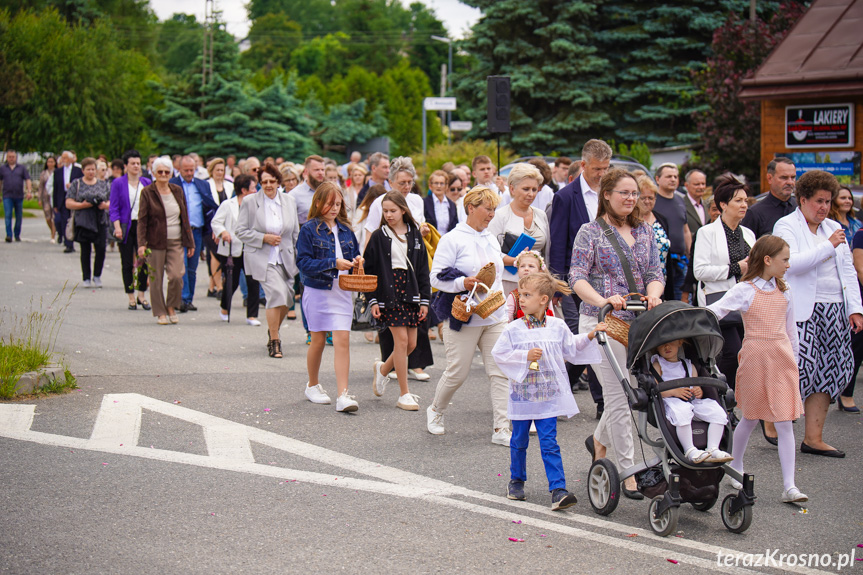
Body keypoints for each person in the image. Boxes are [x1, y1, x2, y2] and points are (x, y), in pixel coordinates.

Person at [570, 167, 664, 498]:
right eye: (623, 192)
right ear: (606, 195)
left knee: (630, 389)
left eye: (634, 193)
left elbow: (655, 270)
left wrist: (654, 291)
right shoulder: (590, 232)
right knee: (621, 396)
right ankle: (629, 471)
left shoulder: (645, 231)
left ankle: (598, 441)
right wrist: (602, 300)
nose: (630, 198)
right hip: (602, 322)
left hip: (638, 323)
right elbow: (577, 277)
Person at [708, 235, 808, 503]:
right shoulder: (746, 290)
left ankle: (790, 486)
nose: (788, 264)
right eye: (784, 259)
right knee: (750, 417)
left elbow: (792, 332)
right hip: (755, 358)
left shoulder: (785, 291)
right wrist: (688, 318)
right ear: (768, 260)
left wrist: (794, 363)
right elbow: (715, 310)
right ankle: (736, 466)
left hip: (781, 359)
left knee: (785, 421)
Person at [492, 270, 604, 509]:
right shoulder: (513, 329)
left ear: (544, 299)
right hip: (523, 396)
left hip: (548, 396)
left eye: (527, 294)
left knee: (549, 442)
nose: (521, 299)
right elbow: (498, 354)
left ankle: (558, 489)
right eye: (520, 294)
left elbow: (571, 347)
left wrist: (591, 335)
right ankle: (516, 480)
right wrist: (524, 356)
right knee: (519, 440)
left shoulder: (557, 326)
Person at [773, 169, 863, 459]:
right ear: (803, 200)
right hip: (801, 310)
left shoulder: (832, 227)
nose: (824, 207)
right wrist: (828, 246)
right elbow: (790, 264)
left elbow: (847, 270)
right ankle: (772, 420)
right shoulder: (786, 226)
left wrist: (856, 308)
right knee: (800, 371)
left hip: (834, 307)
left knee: (831, 370)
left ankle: (814, 438)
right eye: (819, 201)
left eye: (828, 201)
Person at [427, 186, 511, 446]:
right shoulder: (452, 239)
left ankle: (501, 427)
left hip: (495, 315)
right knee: (457, 372)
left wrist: (517, 260)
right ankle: (436, 411)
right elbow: (435, 278)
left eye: (494, 209)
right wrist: (463, 282)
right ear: (471, 208)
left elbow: (496, 272)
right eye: (488, 209)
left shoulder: (490, 238)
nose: (492, 214)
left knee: (500, 372)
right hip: (464, 315)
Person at [548, 139, 611, 417]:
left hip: (606, 279)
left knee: (593, 338)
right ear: (584, 165)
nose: (601, 173)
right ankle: (601, 401)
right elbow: (559, 241)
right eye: (597, 168)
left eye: (606, 168)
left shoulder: (611, 192)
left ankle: (560, 390)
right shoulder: (565, 197)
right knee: (584, 335)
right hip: (574, 280)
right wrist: (557, 283)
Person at [363, 157, 432, 380]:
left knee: (410, 338)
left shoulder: (416, 201)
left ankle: (395, 367)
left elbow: (417, 227)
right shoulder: (380, 203)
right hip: (388, 269)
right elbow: (371, 234)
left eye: (410, 182)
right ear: (391, 181)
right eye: (402, 182)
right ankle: (397, 379)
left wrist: (421, 235)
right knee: (397, 336)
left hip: (411, 264)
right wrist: (367, 269)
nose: (406, 186)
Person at [295, 182, 362, 411]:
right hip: (317, 291)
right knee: (318, 340)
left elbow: (355, 254)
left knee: (343, 340)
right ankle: (312, 385)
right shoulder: (309, 229)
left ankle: (343, 394)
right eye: (330, 203)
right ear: (318, 203)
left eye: (338, 204)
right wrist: (333, 263)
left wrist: (358, 261)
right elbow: (303, 263)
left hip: (341, 291)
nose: (334, 208)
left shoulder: (346, 229)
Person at [692, 175, 755, 391]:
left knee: (746, 355)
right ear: (722, 205)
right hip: (720, 302)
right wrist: (737, 268)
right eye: (738, 200)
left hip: (746, 303)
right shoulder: (707, 232)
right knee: (733, 354)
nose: (744, 205)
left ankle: (730, 399)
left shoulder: (748, 234)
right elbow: (699, 271)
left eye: (746, 200)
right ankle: (721, 397)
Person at [235, 164, 300, 359]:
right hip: (263, 258)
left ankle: (273, 330)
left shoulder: (289, 201)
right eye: (264, 182)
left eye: (272, 181)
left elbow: (294, 232)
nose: (269, 185)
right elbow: (241, 231)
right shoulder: (250, 202)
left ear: (279, 182)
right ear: (260, 183)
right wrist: (263, 238)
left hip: (286, 257)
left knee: (287, 299)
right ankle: (275, 340)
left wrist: (300, 256)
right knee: (276, 295)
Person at [651, 339, 732, 464]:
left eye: (671, 343)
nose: (666, 346)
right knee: (682, 412)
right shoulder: (659, 364)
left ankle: (713, 448)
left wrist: (698, 390)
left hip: (691, 401)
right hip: (671, 400)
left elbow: (695, 385)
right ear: (656, 348)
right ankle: (689, 450)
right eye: (662, 344)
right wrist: (674, 391)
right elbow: (655, 390)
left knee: (717, 411)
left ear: (680, 343)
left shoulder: (689, 365)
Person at [137, 156, 195, 325]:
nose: (163, 174)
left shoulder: (177, 190)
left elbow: (185, 217)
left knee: (177, 276)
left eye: (166, 172)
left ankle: (171, 306)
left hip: (176, 240)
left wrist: (189, 241)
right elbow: (142, 220)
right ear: (154, 173)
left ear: (171, 173)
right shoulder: (147, 192)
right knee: (156, 278)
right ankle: (160, 312)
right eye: (160, 172)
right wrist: (141, 243)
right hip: (155, 242)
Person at [488, 163, 549, 296]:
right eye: (526, 189)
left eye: (534, 189)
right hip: (509, 282)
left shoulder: (541, 215)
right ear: (512, 189)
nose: (531, 194)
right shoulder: (499, 216)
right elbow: (491, 253)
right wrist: (518, 260)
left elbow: (547, 252)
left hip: (538, 283)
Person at [210, 174, 261, 326]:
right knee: (232, 282)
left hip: (251, 249)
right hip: (232, 250)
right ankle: (225, 308)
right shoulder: (228, 204)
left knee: (253, 281)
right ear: (244, 190)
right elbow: (216, 222)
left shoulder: (257, 205)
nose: (256, 191)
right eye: (253, 188)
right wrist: (223, 232)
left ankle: (252, 315)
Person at [170, 156, 218, 312]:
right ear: (179, 169)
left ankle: (188, 299)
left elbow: (211, 207)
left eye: (192, 170)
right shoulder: (172, 184)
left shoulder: (202, 185)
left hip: (197, 231)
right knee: (181, 265)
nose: (189, 173)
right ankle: (182, 299)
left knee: (192, 267)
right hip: (178, 231)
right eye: (186, 170)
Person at [109, 150, 152, 310]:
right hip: (127, 226)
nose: (136, 166)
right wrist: (117, 227)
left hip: (143, 227)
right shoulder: (118, 183)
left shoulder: (146, 182)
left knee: (144, 261)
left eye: (138, 163)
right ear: (126, 166)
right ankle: (131, 296)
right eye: (132, 163)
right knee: (127, 262)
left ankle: (142, 294)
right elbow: (113, 207)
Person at [65, 158, 110, 287]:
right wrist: (83, 205)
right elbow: (68, 202)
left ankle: (97, 276)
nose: (91, 172)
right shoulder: (77, 183)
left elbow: (112, 202)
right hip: (83, 220)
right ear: (83, 170)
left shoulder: (103, 184)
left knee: (101, 249)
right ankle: (86, 277)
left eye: (93, 169)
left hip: (100, 219)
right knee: (85, 250)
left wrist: (104, 205)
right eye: (88, 169)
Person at [652, 163, 691, 301]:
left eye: (675, 176)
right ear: (657, 179)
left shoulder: (680, 200)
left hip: (680, 262)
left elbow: (685, 230)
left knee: (681, 302)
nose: (673, 179)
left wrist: (690, 253)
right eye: (669, 176)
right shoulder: (652, 200)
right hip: (661, 263)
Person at [741, 157, 798, 239]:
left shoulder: (801, 208)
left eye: (793, 177)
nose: (790, 182)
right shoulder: (755, 213)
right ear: (770, 178)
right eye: (784, 178)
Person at [204, 157, 233, 300]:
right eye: (217, 170)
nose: (220, 173)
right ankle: (219, 287)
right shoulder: (206, 185)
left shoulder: (230, 185)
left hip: (226, 226)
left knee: (224, 255)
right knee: (214, 253)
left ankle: (216, 284)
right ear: (212, 171)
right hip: (210, 226)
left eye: (222, 170)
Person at [505, 251, 554, 321]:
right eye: (522, 266)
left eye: (531, 266)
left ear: (539, 271)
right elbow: (507, 319)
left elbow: (552, 317)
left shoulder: (544, 292)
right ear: (518, 271)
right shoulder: (513, 296)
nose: (526, 269)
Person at [636, 176, 670, 273]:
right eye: (643, 198)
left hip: (661, 278)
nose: (647, 201)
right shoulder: (629, 221)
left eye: (650, 198)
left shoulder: (662, 220)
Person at [845, 228, 863, 413]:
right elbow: (860, 268)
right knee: (857, 347)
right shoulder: (861, 234)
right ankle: (846, 393)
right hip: (862, 297)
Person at [53, 151, 83, 253]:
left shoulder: (78, 171)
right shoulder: (58, 172)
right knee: (64, 221)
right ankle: (68, 243)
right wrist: (55, 204)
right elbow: (55, 188)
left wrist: (73, 186)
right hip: (63, 199)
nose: (63, 160)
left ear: (70, 159)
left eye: (65, 158)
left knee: (74, 221)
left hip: (75, 199)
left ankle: (74, 239)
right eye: (62, 158)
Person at [1, 150, 32, 243]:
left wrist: (29, 191)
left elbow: (27, 180)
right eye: (9, 157)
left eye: (13, 157)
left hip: (18, 195)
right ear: (7, 158)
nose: (11, 159)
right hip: (7, 195)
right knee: (8, 215)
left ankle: (17, 234)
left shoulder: (21, 168)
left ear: (16, 158)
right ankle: (9, 235)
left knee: (19, 216)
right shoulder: (3, 168)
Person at [423, 169, 457, 235]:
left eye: (441, 183)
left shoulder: (452, 205)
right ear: (430, 186)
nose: (439, 186)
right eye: (436, 183)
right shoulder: (424, 203)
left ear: (446, 186)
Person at [37, 156, 58, 241]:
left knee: (54, 216)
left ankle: (53, 235)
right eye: (48, 162)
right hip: (46, 197)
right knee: (48, 217)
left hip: (55, 196)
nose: (50, 163)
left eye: (52, 162)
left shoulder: (57, 172)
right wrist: (39, 198)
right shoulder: (43, 173)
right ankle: (53, 230)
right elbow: (41, 186)